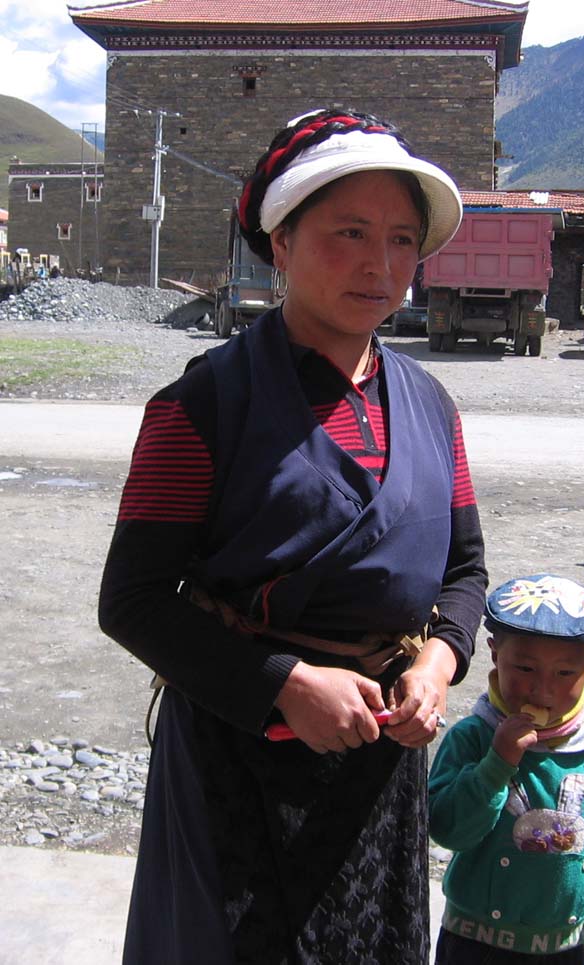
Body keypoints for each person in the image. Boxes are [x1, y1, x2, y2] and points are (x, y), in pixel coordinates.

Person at [99, 108, 487, 964]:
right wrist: (286, 683)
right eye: (349, 232)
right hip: (238, 760)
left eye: (401, 239)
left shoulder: (431, 407)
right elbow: (132, 601)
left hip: (381, 766)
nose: (379, 264)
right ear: (281, 242)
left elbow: (464, 570)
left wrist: (437, 662)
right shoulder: (201, 406)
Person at [429, 574, 584, 964]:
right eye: (524, 668)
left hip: (563, 945)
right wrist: (496, 764)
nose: (542, 689)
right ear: (495, 653)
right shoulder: (474, 737)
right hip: (474, 942)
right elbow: (447, 829)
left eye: (564, 673)